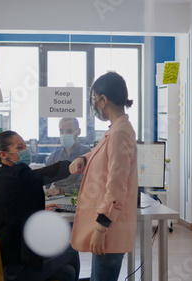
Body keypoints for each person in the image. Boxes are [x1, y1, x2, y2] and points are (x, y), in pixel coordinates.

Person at [0, 130, 80, 281]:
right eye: (19, 147)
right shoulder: (18, 173)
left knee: (67, 272)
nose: (26, 150)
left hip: (1, 265)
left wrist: (36, 209)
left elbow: (10, 207)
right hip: (15, 269)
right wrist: (73, 165)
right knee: (71, 249)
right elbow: (45, 174)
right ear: (4, 154)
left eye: (25, 146)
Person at [69, 72, 138, 281]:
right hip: (109, 226)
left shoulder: (120, 133)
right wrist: (83, 157)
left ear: (103, 99)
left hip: (109, 228)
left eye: (94, 99)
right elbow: (103, 154)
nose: (94, 105)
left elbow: (116, 188)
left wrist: (100, 227)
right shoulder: (116, 130)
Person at [45, 117, 90, 196]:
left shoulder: (87, 154)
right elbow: (45, 182)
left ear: (78, 131)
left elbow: (85, 183)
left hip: (79, 198)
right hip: (56, 198)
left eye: (69, 131)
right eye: (61, 131)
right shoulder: (54, 156)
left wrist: (61, 191)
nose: (64, 134)